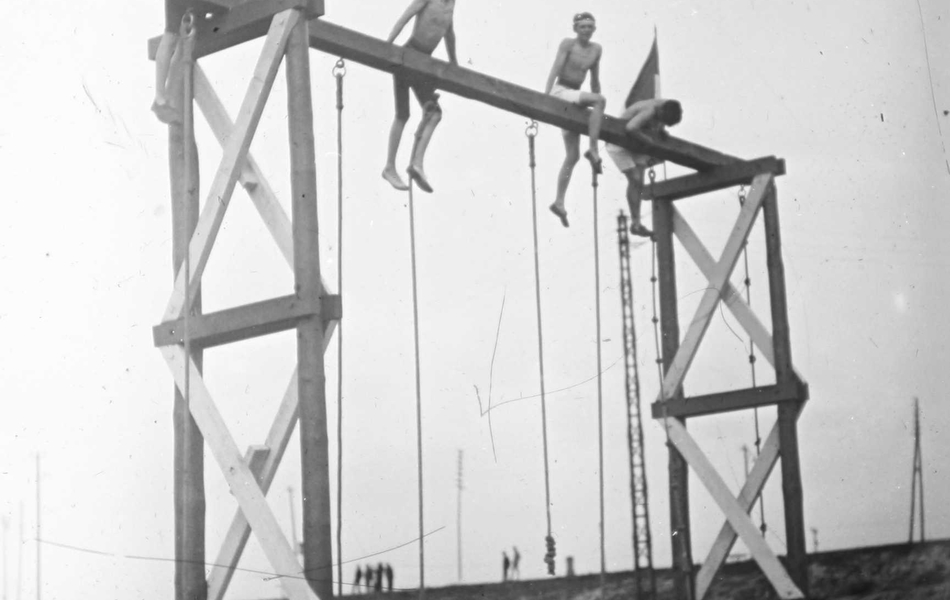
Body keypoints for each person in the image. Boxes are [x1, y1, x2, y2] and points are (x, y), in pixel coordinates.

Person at [381, 0, 458, 193]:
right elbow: (405, 17)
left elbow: (449, 34)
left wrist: (454, 63)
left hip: (423, 63)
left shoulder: (451, 5)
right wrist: (387, 45)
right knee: (403, 114)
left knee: (434, 114)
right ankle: (389, 166)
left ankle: (417, 163)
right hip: (408, 55)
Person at [544, 12, 607, 228]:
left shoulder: (596, 50)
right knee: (599, 100)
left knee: (572, 155)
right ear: (575, 28)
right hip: (561, 92)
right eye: (582, 27)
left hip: (576, 97)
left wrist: (599, 111)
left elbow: (595, 80)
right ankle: (594, 149)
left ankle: (559, 201)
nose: (586, 30)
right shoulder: (568, 44)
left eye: (590, 27)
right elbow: (555, 68)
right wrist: (545, 96)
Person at [605, 98, 683, 237]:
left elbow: (656, 122)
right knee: (635, 179)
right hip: (620, 143)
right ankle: (636, 222)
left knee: (639, 182)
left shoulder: (663, 107)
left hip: (636, 146)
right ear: (661, 111)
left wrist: (660, 129)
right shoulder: (651, 109)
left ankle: (636, 225)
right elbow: (630, 127)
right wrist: (648, 140)